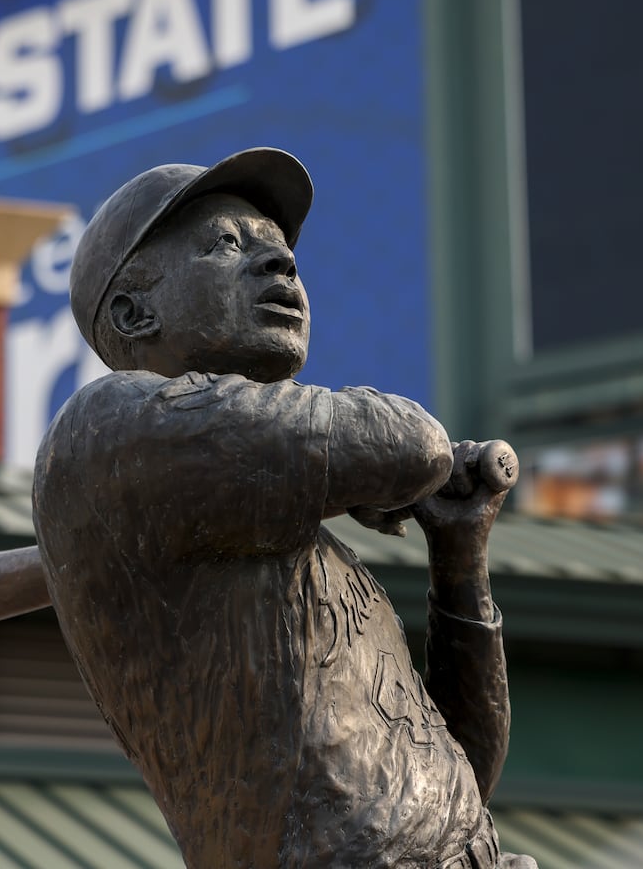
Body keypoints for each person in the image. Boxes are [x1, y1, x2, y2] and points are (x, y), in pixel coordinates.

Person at [33, 148, 536, 869]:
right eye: (227, 245)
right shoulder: (108, 425)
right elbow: (414, 446)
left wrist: (458, 560)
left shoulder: (298, 543)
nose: (280, 267)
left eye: (280, 252)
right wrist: (373, 475)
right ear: (131, 310)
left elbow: (461, 777)